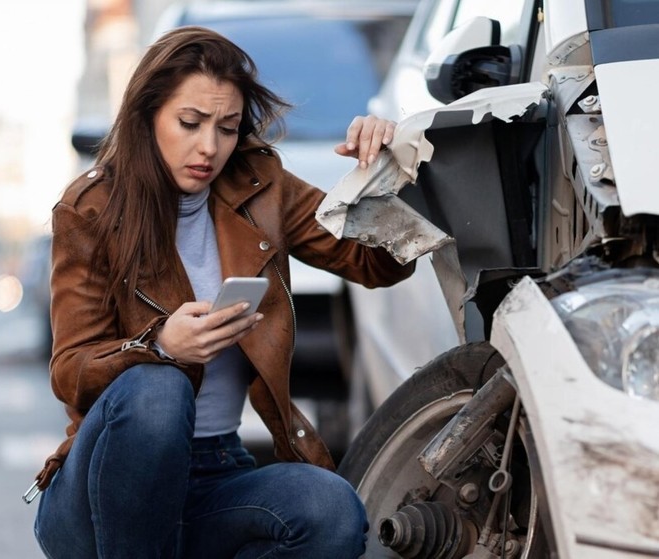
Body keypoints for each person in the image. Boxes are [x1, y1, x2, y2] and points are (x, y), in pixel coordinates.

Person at [30, 25, 414, 559]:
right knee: (158, 391)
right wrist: (162, 346)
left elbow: (376, 264)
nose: (209, 147)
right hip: (101, 493)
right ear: (147, 117)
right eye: (189, 123)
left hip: (215, 474)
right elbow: (70, 369)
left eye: (227, 128)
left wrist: (386, 174)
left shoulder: (260, 186)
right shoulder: (91, 207)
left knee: (330, 512)